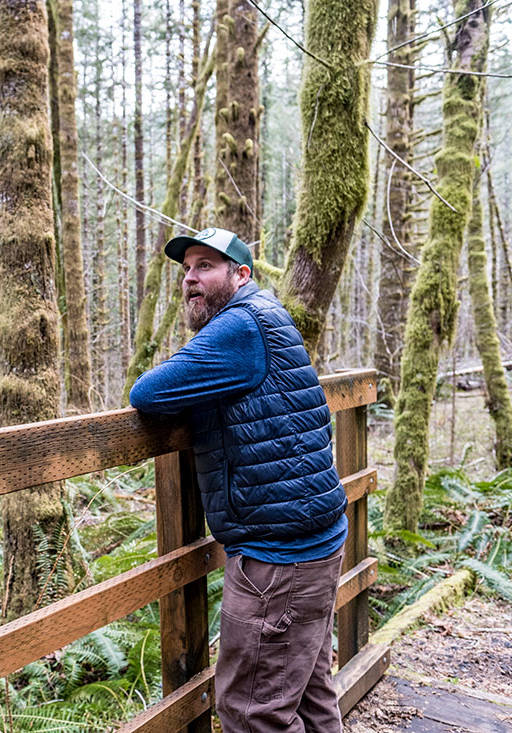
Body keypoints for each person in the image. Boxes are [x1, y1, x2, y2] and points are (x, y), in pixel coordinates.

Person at [129, 227, 348, 733]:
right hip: (310, 543)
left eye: (205, 266)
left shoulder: (240, 328)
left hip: (279, 561)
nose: (190, 278)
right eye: (186, 270)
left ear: (241, 274)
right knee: (311, 699)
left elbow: (148, 393)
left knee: (252, 713)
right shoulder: (266, 316)